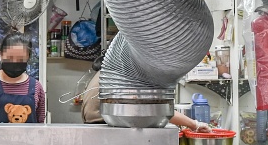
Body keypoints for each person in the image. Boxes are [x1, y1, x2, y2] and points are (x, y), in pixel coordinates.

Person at [81, 52, 212, 131]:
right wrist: (194, 124)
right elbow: (158, 110)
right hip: (104, 126)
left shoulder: (113, 70)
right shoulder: (125, 75)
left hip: (99, 125)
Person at [0, 31, 46, 123]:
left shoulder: (36, 87)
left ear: (28, 58)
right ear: (0, 55)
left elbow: (41, 124)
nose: (14, 62)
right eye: (10, 58)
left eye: (20, 59)